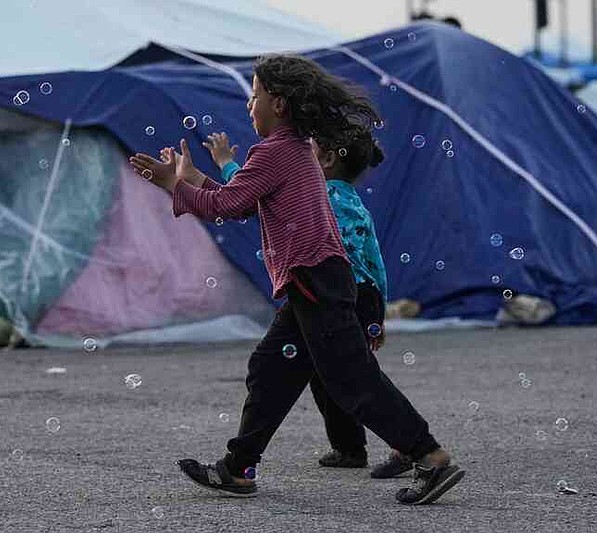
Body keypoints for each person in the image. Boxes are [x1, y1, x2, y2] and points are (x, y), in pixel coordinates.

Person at [129, 54, 465, 505]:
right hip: (316, 279)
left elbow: (226, 206)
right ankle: (238, 468)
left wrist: (173, 185)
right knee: (270, 367)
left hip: (314, 278)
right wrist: (194, 179)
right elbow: (243, 202)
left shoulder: (276, 151)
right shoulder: (294, 149)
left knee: (351, 379)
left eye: (255, 96)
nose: (249, 105)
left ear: (280, 104)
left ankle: (429, 456)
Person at [199, 130, 412, 477]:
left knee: (352, 376)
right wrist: (378, 312)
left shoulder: (318, 195)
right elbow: (375, 260)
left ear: (326, 159)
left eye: (307, 152)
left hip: (332, 291)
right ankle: (350, 448)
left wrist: (226, 163)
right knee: (332, 375)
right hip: (363, 294)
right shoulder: (354, 202)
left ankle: (410, 445)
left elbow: (255, 194)